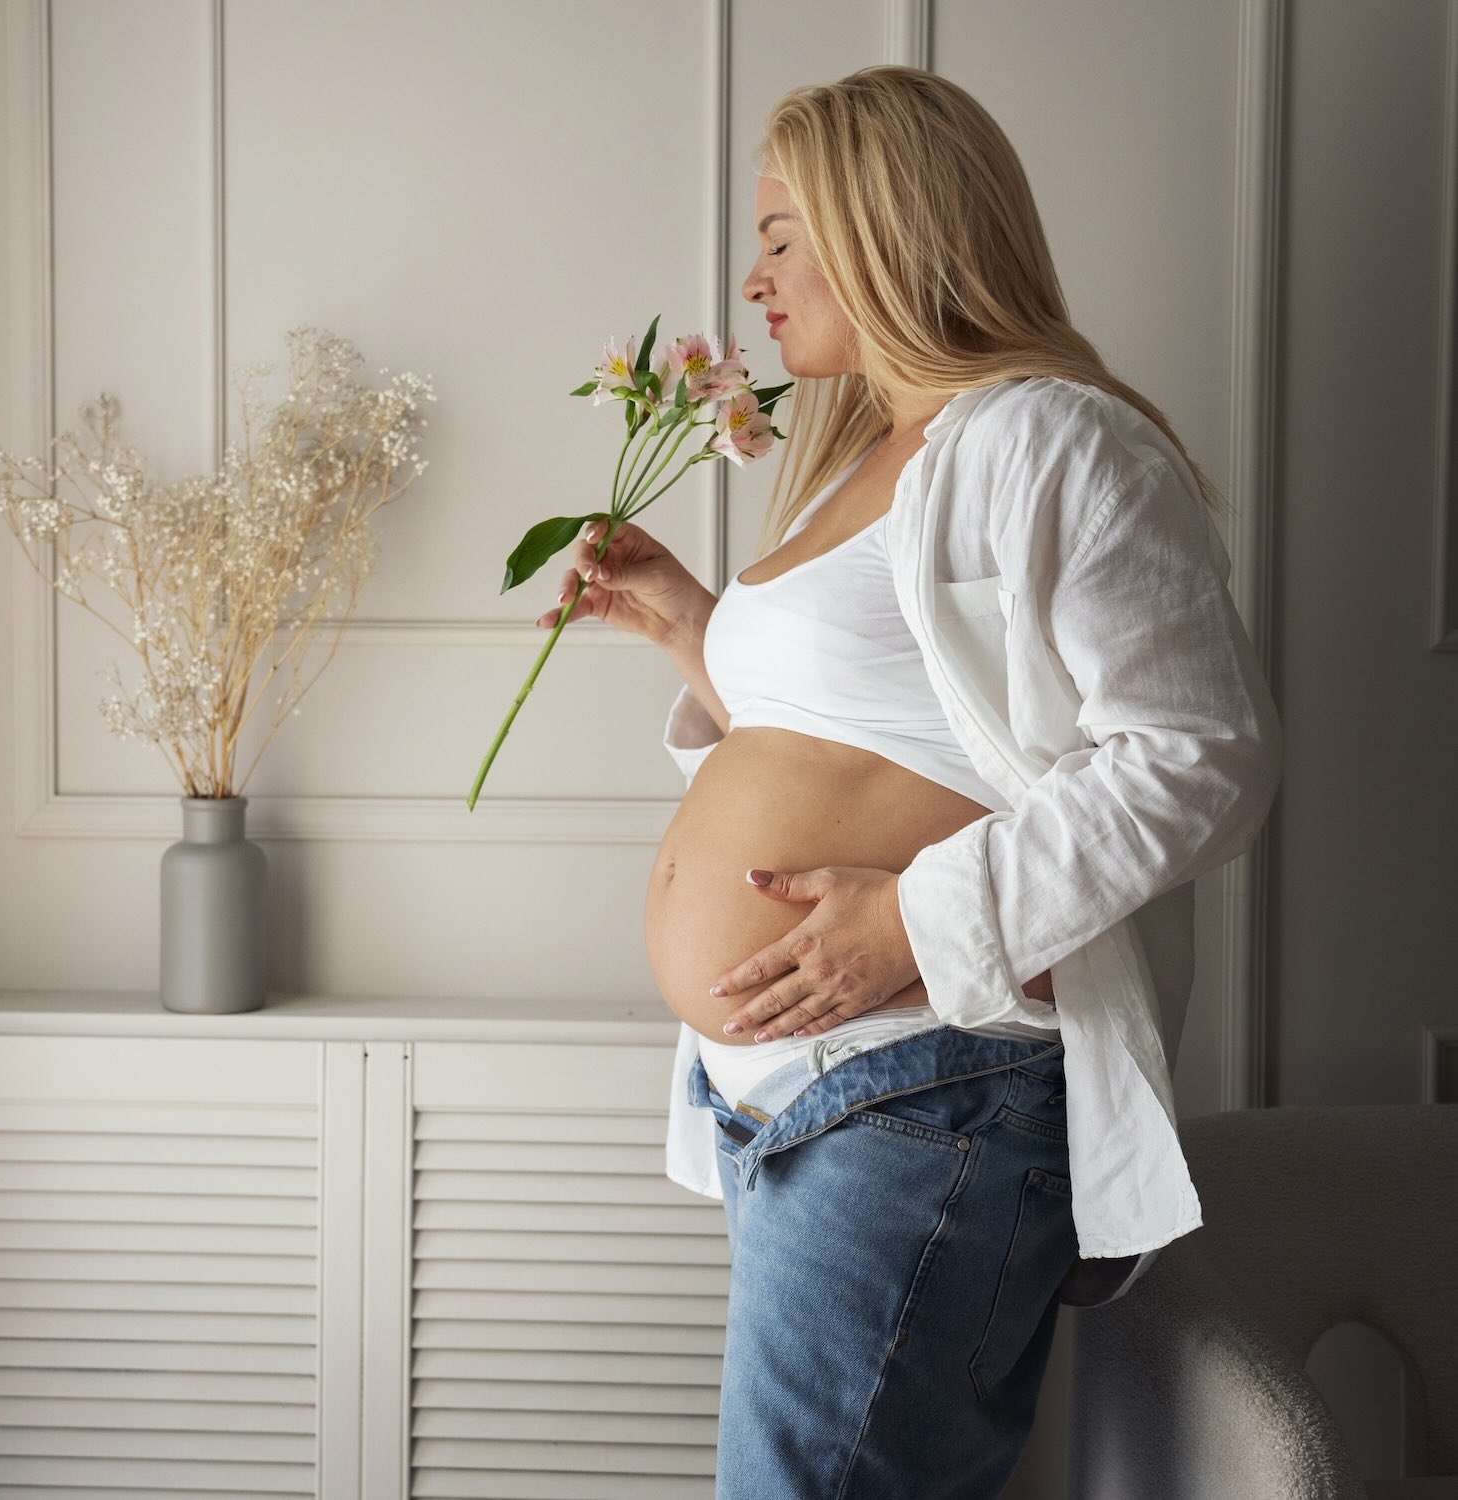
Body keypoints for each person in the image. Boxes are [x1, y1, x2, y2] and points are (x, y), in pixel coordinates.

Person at [534, 65, 1282, 1500]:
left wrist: (912, 927)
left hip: (925, 1089)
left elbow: (1205, 757)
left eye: (779, 234)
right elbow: (879, 731)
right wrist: (692, 626)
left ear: (887, 228)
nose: (750, 276)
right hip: (801, 1099)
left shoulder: (1053, 439)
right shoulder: (866, 460)